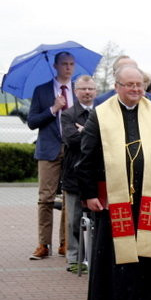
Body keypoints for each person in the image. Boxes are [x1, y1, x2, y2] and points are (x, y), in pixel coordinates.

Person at [76, 66, 151, 300]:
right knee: (118, 253)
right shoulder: (101, 115)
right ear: (117, 87)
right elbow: (87, 156)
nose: (136, 89)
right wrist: (90, 193)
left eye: (139, 85)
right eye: (130, 85)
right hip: (115, 197)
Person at [27, 51, 74, 260]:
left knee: (69, 197)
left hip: (72, 150)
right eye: (64, 64)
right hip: (48, 150)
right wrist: (53, 109)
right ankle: (43, 244)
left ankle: (66, 242)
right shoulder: (42, 90)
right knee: (45, 198)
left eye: (71, 64)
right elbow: (32, 122)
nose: (68, 68)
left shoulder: (78, 89)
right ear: (55, 66)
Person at [60, 75, 97, 273]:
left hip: (95, 175)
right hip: (73, 174)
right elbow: (71, 140)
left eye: (90, 88)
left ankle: (95, 257)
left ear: (96, 91)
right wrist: (90, 132)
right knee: (73, 220)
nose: (87, 92)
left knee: (96, 219)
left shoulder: (101, 112)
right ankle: (74, 258)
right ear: (75, 91)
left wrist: (84, 130)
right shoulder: (68, 115)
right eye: (83, 89)